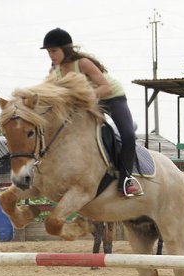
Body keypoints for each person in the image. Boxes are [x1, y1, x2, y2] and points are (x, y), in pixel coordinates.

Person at [41, 27, 143, 197]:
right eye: (49, 52)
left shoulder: (82, 63)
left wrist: (82, 97)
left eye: (54, 51)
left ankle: (127, 180)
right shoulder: (54, 71)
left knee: (128, 136)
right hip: (87, 103)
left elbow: (106, 88)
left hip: (112, 98)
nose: (51, 55)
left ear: (65, 49)